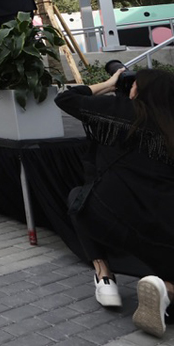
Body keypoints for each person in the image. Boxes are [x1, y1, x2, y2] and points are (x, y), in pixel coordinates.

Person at [55, 67, 174, 338]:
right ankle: (164, 290)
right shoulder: (170, 125)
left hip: (107, 211)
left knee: (78, 198)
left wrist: (109, 84)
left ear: (137, 91)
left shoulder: (115, 109)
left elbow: (66, 98)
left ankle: (104, 274)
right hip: (162, 226)